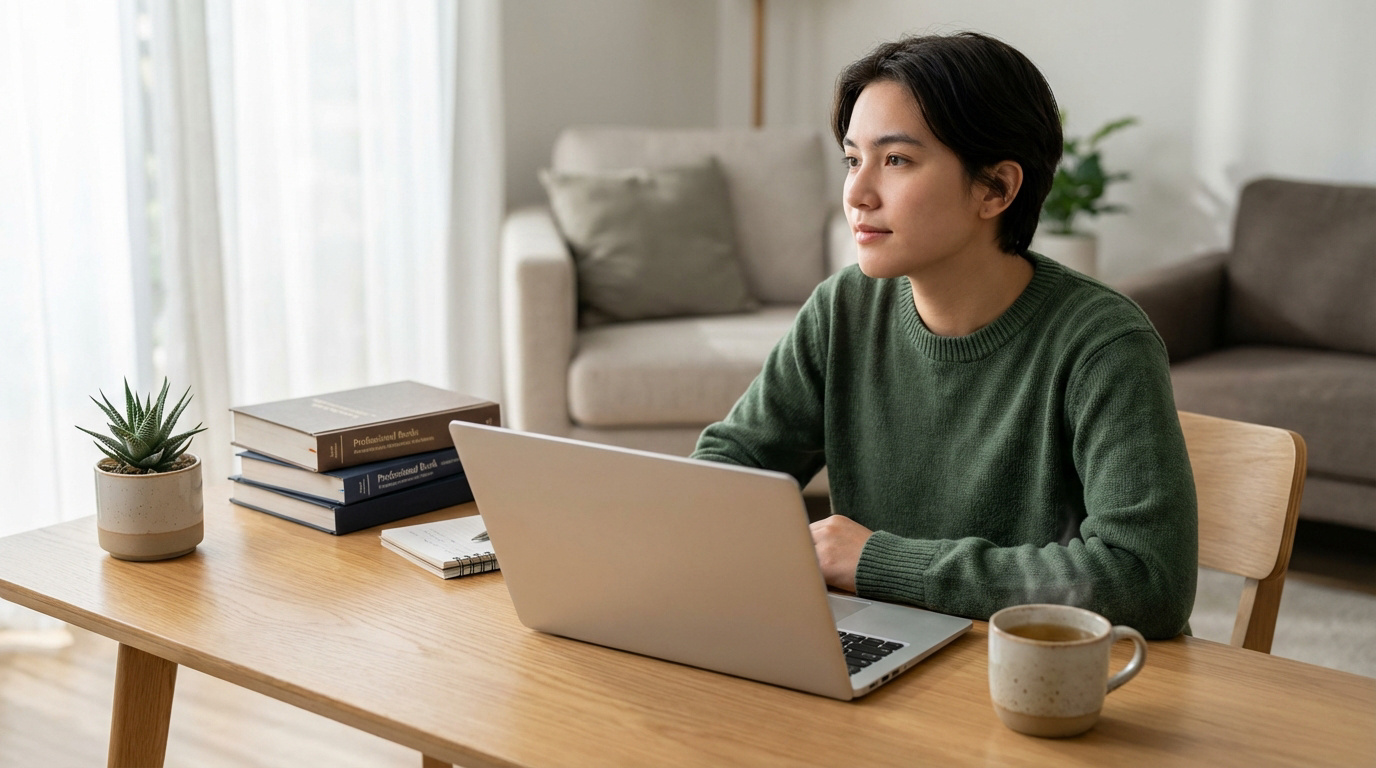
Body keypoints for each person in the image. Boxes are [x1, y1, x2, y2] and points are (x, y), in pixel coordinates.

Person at [691, 32, 1197, 639]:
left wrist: (877, 561)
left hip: (1038, 676)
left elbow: (1145, 580)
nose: (856, 193)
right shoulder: (843, 310)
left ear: (996, 189)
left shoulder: (1102, 344)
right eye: (853, 159)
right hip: (882, 643)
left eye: (896, 160)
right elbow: (727, 468)